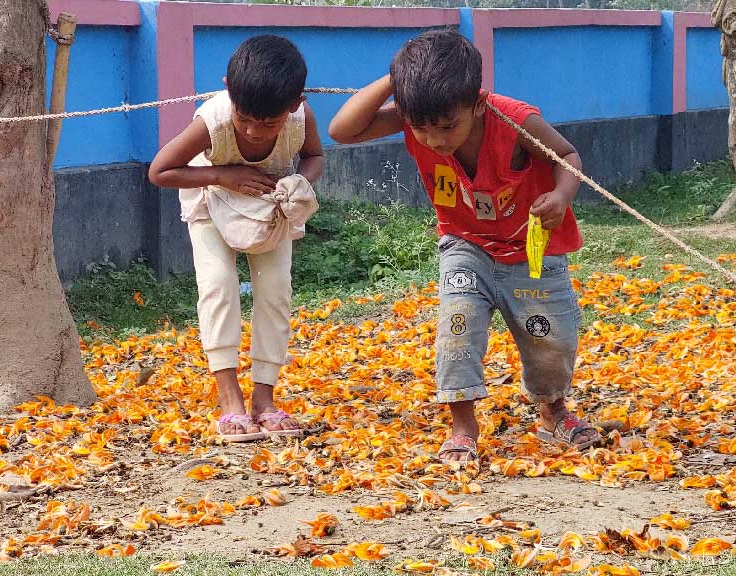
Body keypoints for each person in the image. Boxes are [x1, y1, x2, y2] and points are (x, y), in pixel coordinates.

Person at [328, 30, 601, 467]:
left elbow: (566, 156)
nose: (435, 140)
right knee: (457, 327)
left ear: (476, 102)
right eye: (422, 129)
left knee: (552, 339)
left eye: (447, 127)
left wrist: (562, 195)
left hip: (533, 247)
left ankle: (553, 411)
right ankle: (463, 427)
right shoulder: (414, 110)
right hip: (465, 244)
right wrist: (398, 80)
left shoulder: (514, 120)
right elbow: (341, 130)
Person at [149, 35, 324, 442]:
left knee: (276, 291)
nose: (254, 130)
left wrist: (300, 181)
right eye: (245, 118)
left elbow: (314, 156)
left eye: (268, 123)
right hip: (209, 203)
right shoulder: (213, 120)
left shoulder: (301, 118)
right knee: (218, 287)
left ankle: (264, 397)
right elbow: (160, 171)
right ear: (229, 89)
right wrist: (222, 175)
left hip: (269, 211)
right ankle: (230, 400)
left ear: (295, 103)